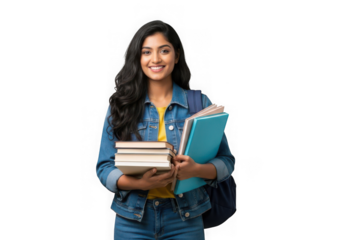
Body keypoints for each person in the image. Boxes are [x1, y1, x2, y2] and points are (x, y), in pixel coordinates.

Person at [95, 20, 236, 240]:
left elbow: (226, 162)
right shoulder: (119, 107)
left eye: (164, 50)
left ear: (176, 55)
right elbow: (104, 167)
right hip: (131, 220)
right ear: (138, 58)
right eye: (147, 52)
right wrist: (139, 184)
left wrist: (196, 170)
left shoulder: (199, 103)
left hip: (185, 219)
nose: (156, 59)